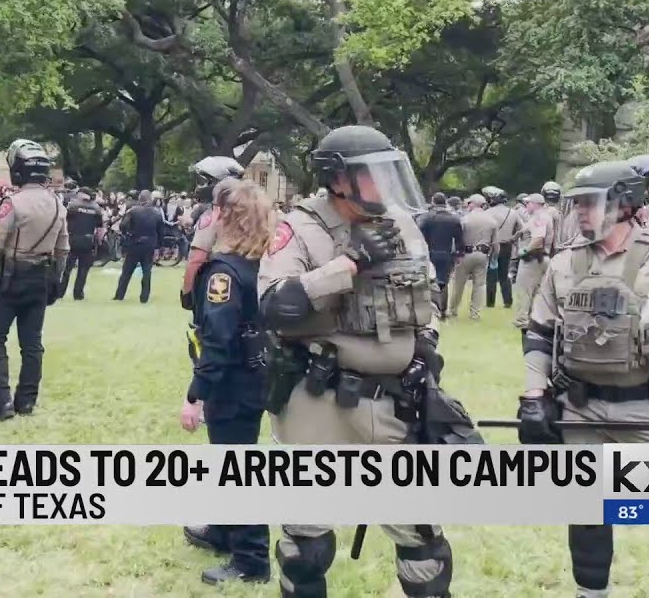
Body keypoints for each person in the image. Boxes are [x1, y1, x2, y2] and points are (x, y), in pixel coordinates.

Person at [517, 159, 649, 598]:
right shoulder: (563, 263)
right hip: (582, 410)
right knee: (589, 514)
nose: (580, 213)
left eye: (590, 203)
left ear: (625, 203)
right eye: (577, 204)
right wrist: (533, 397)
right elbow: (539, 334)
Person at [258, 125, 457, 598]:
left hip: (393, 401)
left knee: (420, 531)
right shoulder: (299, 228)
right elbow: (274, 306)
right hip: (320, 398)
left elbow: (426, 293)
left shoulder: (401, 224)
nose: (384, 186)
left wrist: (425, 344)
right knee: (305, 539)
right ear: (338, 180)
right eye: (373, 175)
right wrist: (346, 266)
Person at [179, 179, 272, 585]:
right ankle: (223, 529)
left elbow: (216, 341)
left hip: (233, 380)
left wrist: (195, 396)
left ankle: (250, 560)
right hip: (254, 376)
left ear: (225, 218)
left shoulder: (224, 273)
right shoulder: (260, 265)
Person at [0, 139, 68, 421]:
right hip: (41, 278)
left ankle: (1, 404)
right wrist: (58, 280)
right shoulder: (58, 205)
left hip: (8, 279)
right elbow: (63, 248)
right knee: (32, 343)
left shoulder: (12, 203)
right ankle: (26, 401)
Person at [182, 156, 246, 309]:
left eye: (206, 180)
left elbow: (197, 259)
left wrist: (187, 294)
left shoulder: (214, 217)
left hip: (219, 289)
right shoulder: (259, 214)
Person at [447, 194, 496, 320]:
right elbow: (495, 243)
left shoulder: (465, 219)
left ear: (473, 204)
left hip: (465, 254)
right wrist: (493, 257)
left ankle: (453, 309)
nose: (467, 205)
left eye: (469, 203)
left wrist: (455, 254)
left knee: (459, 283)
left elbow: (458, 239)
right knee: (479, 285)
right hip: (483, 254)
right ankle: (475, 313)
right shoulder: (491, 220)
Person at [513, 193, 554, 338]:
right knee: (537, 292)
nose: (526, 205)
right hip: (541, 258)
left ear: (536, 204)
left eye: (528, 203)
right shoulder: (541, 217)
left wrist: (525, 250)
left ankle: (522, 320)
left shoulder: (539, 217)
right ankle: (534, 319)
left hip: (533, 259)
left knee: (524, 290)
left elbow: (538, 238)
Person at [114, 189, 165, 303]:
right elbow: (161, 231)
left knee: (127, 271)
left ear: (139, 199)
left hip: (135, 243)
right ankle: (144, 297)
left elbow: (123, 225)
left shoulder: (133, 211)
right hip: (150, 244)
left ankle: (120, 295)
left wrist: (128, 234)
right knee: (147, 271)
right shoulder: (157, 213)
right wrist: (158, 246)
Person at [418, 192, 463, 315]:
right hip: (446, 253)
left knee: (430, 281)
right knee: (444, 282)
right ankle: (443, 309)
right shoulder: (454, 219)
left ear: (433, 201)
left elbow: (419, 235)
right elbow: (459, 238)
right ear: (445, 202)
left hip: (430, 253)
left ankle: (433, 308)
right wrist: (459, 254)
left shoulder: (427, 218)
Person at [61, 186, 103, 300]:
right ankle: (78, 294)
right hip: (88, 241)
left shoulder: (72, 206)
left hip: (72, 239)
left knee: (66, 269)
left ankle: (60, 292)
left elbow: (63, 222)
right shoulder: (96, 208)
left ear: (80, 194)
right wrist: (99, 242)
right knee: (83, 270)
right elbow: (100, 228)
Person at [483, 186, 521, 308]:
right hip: (507, 245)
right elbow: (522, 229)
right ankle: (508, 301)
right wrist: (513, 238)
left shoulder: (488, 213)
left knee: (491, 275)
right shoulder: (513, 213)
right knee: (504, 275)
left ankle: (490, 302)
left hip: (492, 246)